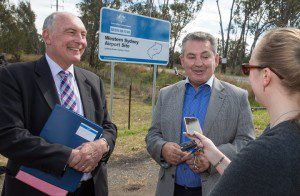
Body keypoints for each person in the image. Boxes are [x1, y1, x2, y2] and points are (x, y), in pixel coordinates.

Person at [0, 12, 117, 196]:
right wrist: (68, 157)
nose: (80, 41)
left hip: (90, 189)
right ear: (47, 36)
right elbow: (9, 136)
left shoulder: (93, 81)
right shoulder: (13, 76)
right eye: (71, 32)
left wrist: (102, 145)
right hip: (36, 189)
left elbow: (108, 126)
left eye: (84, 34)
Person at [185, 27, 300, 195]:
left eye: (249, 68)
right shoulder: (287, 134)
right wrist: (216, 155)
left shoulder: (266, 152)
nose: (248, 76)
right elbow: (253, 180)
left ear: (266, 76)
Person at [145, 31, 255, 196]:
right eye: (191, 57)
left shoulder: (238, 97)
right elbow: (153, 135)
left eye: (205, 56)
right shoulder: (165, 94)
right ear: (182, 60)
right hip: (170, 189)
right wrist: (163, 149)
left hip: (216, 189)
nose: (198, 63)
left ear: (215, 60)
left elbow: (246, 143)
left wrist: (213, 158)